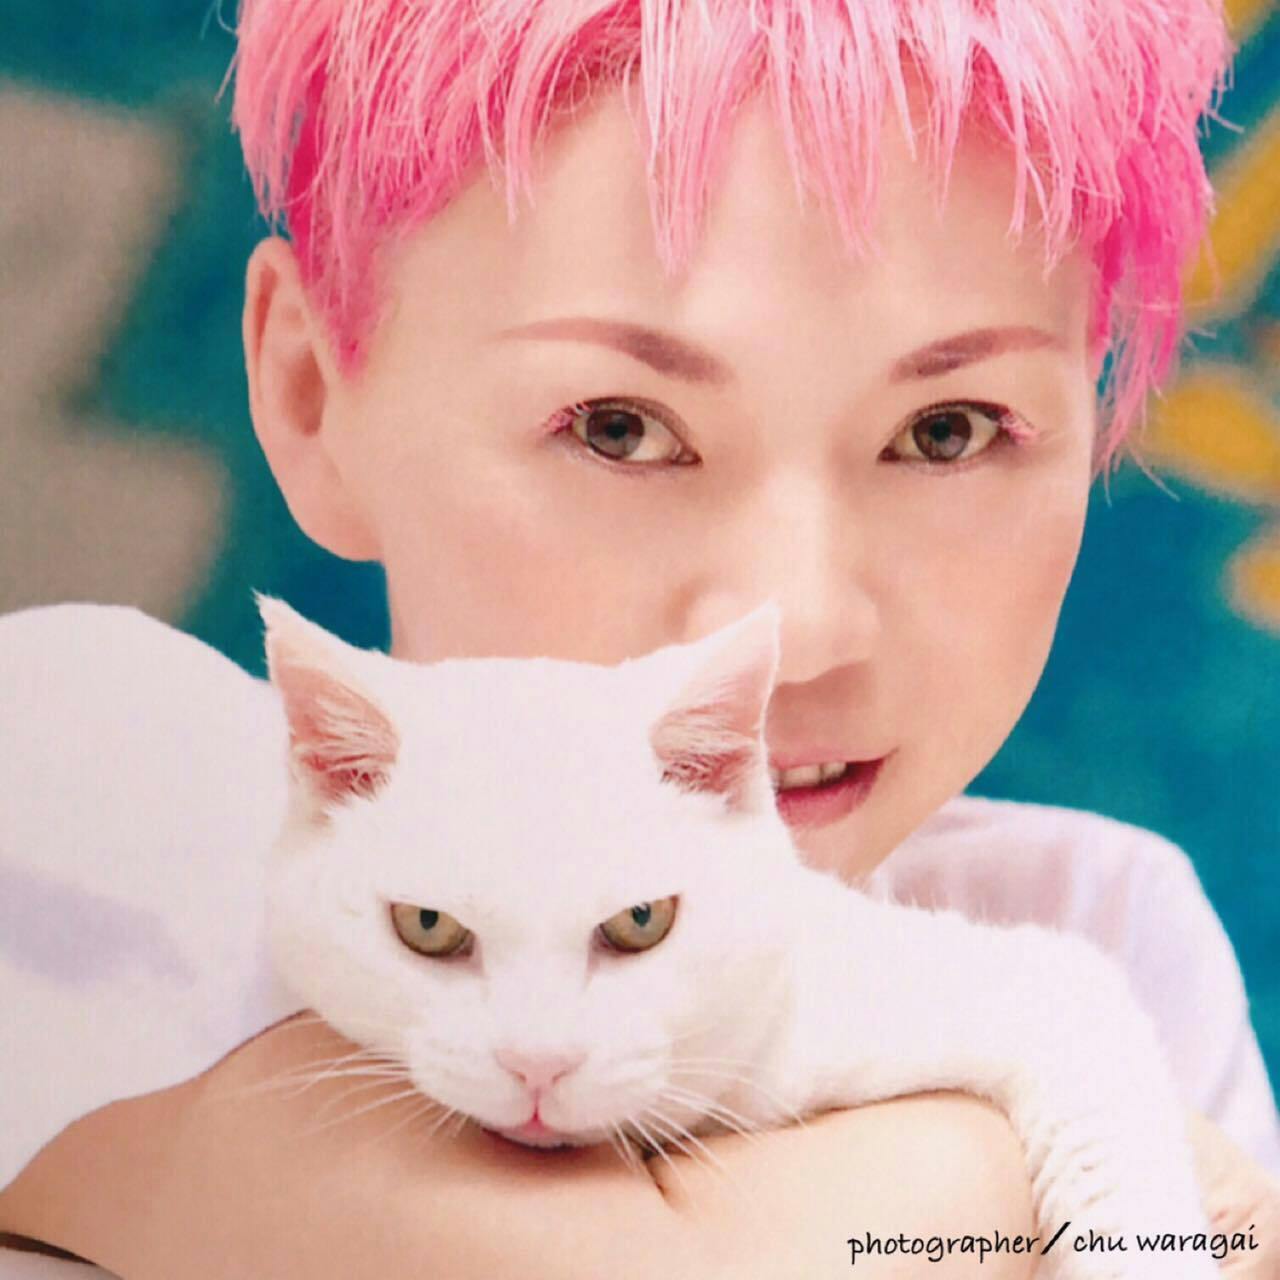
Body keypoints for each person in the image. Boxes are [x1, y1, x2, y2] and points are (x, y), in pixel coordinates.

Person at [1, 0, 1278, 1276]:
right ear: (307, 395)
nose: (799, 628)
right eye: (619, 427)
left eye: (947, 429)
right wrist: (1040, 1147)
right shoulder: (105, 812)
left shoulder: (1108, 920)